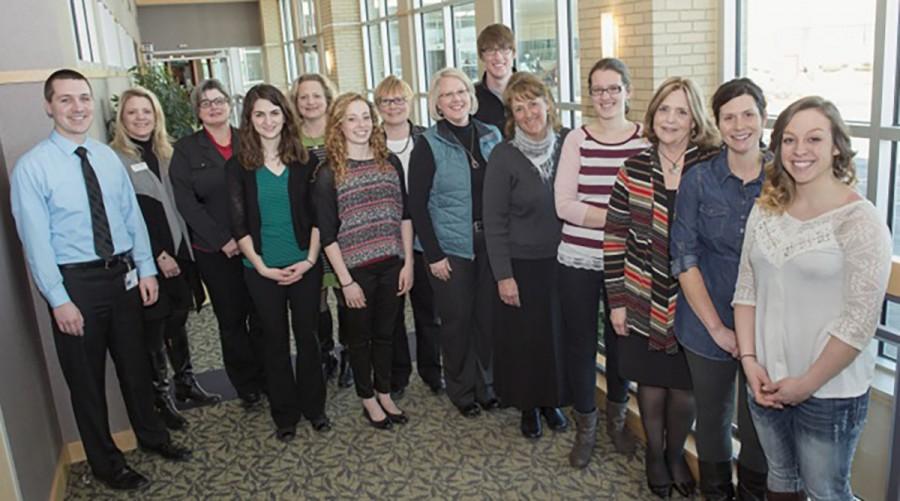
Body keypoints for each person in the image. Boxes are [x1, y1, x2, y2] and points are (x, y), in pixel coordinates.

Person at [10, 69, 190, 492]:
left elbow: (132, 219)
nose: (78, 108)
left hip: (123, 277)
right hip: (76, 288)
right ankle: (107, 464)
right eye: (67, 99)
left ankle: (152, 437)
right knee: (87, 381)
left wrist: (145, 268)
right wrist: (58, 300)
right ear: (48, 105)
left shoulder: (107, 157)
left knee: (135, 366)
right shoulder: (33, 168)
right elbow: (35, 243)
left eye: (84, 99)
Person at [733, 96, 891, 501]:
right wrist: (750, 363)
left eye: (814, 139)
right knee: (781, 482)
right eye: (789, 139)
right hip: (766, 381)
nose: (799, 150)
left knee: (826, 493)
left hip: (829, 391)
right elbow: (746, 291)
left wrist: (805, 384)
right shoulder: (765, 209)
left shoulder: (860, 220)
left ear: (836, 145)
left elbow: (859, 321)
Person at [604, 76, 720, 498]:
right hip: (639, 295)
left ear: (695, 121)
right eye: (664, 110)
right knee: (650, 381)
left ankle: (675, 456)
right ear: (652, 114)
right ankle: (655, 454)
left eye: (681, 111)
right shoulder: (633, 167)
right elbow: (614, 237)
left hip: (695, 300)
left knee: (685, 385)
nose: (671, 119)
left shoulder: (710, 166)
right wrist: (616, 301)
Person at [670, 78, 769, 500]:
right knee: (712, 419)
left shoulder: (785, 179)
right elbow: (684, 257)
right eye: (729, 116)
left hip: (768, 328)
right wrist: (716, 329)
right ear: (718, 122)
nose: (739, 124)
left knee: (758, 423)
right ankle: (716, 493)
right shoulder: (698, 180)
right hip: (705, 322)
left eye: (748, 114)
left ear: (764, 119)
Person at [554, 57, 649, 468]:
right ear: (589, 95)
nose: (606, 96)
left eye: (614, 88)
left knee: (622, 347)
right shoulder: (578, 139)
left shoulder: (646, 140)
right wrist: (618, 220)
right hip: (578, 257)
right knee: (579, 345)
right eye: (598, 90)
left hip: (629, 265)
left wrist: (611, 220)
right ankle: (586, 428)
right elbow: (563, 205)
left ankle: (616, 423)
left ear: (628, 90)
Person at [110, 86, 220, 432]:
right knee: (155, 330)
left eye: (147, 111)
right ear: (121, 119)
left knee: (179, 320)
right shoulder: (115, 159)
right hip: (151, 260)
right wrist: (158, 255)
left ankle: (185, 383)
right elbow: (127, 216)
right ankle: (162, 397)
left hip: (182, 253)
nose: (141, 118)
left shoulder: (169, 153)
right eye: (133, 112)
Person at [226, 84, 330, 442]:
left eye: (274, 112)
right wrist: (260, 265)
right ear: (249, 120)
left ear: (285, 115)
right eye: (259, 114)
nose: (268, 121)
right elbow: (238, 224)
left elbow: (319, 217)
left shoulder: (305, 161)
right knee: (274, 342)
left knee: (308, 338)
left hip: (305, 264)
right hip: (261, 270)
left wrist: (310, 259)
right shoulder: (238, 166)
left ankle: (315, 408)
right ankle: (284, 414)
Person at [313, 93, 414, 429]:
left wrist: (409, 264)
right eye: (352, 118)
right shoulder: (329, 172)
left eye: (365, 117)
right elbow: (327, 235)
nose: (360, 125)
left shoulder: (390, 162)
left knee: (386, 333)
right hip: (354, 272)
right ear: (339, 125)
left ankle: (384, 391)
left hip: (392, 264)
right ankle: (367, 398)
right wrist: (345, 282)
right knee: (359, 338)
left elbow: (405, 216)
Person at [408, 68, 503, 418]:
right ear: (437, 103)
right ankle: (462, 390)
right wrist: (432, 254)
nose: (456, 98)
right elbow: (416, 203)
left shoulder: (491, 135)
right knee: (457, 321)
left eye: (461, 90)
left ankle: (487, 386)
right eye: (447, 94)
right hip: (449, 248)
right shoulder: (428, 144)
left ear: (470, 95)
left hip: (489, 244)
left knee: (487, 318)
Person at [483, 72, 570, 439]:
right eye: (518, 108)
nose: (528, 113)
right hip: (520, 263)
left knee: (555, 335)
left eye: (533, 103)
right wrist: (504, 275)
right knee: (524, 338)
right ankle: (528, 405)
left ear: (547, 103)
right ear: (511, 116)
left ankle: (551, 400)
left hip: (564, 261)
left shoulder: (569, 145)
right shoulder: (504, 156)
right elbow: (494, 220)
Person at [170, 79, 267, 408]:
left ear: (230, 104)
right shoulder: (185, 150)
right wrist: (223, 239)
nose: (214, 106)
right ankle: (247, 386)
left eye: (219, 100)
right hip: (216, 251)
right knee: (232, 319)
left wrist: (252, 237)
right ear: (198, 111)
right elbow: (186, 204)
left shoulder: (249, 140)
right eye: (205, 102)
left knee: (263, 313)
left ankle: (268, 376)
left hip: (257, 247)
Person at [373, 75, 444, 399]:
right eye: (387, 101)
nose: (394, 106)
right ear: (379, 107)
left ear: (410, 102)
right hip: (386, 239)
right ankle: (398, 374)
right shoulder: (370, 143)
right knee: (392, 314)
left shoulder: (427, 139)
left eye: (399, 99)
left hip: (423, 236)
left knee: (429, 311)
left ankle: (432, 371)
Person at [289, 73, 347, 383]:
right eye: (303, 97)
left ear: (327, 98)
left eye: (316, 96)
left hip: (343, 227)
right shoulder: (290, 139)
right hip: (307, 229)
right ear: (296, 103)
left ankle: (350, 352)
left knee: (346, 292)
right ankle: (326, 353)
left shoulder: (342, 133)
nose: (310, 102)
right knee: (317, 297)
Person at [474, 23, 516, 133]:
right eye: (490, 50)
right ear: (481, 56)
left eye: (504, 49)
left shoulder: (532, 92)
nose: (498, 57)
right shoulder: (472, 97)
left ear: (514, 53)